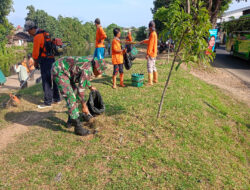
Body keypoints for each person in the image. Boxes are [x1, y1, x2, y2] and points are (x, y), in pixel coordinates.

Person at [52, 56, 107, 136]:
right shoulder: (87, 70)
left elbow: (84, 79)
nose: (99, 74)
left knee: (74, 93)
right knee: (70, 96)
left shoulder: (89, 65)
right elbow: (81, 91)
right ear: (96, 68)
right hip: (59, 70)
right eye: (99, 72)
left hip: (66, 71)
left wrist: (90, 86)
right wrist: (84, 106)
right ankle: (78, 127)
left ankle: (71, 119)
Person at [24, 20, 61, 109]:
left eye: (28, 31)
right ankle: (56, 99)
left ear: (32, 29)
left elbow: (35, 54)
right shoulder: (45, 32)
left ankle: (48, 102)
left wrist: (36, 63)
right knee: (54, 78)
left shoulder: (37, 37)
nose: (28, 33)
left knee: (46, 81)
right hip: (52, 58)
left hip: (45, 60)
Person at [140, 21, 158, 85]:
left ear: (150, 27)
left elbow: (150, 45)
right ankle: (155, 79)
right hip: (154, 53)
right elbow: (149, 41)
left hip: (151, 53)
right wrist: (143, 41)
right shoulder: (154, 33)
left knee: (149, 67)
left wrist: (147, 54)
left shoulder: (152, 34)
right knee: (153, 66)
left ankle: (150, 82)